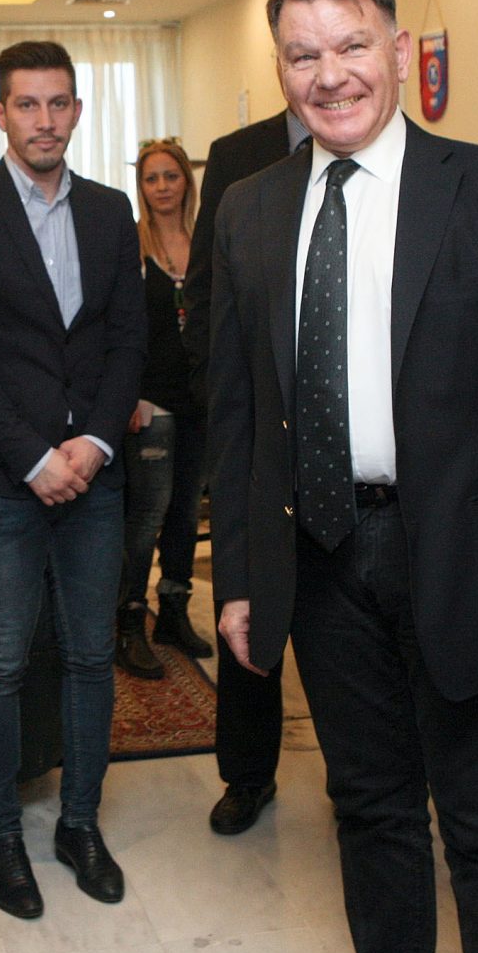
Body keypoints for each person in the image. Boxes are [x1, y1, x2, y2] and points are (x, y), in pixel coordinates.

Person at [210, 0, 478, 953]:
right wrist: (240, 577)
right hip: (323, 559)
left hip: (464, 559)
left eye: (351, 45)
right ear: (280, 69)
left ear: (399, 48)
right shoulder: (247, 209)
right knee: (370, 808)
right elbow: (238, 417)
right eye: (303, 55)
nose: (329, 74)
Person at [0, 39, 146, 921]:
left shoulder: (111, 210)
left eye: (58, 103)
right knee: (2, 661)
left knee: (90, 655)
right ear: (0, 113)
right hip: (2, 483)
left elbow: (128, 339)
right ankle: (4, 835)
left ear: (78, 111)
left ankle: (80, 824)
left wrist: (94, 442)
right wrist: (33, 457)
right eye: (27, 104)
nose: (44, 121)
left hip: (95, 475)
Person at [180, 105, 304, 834]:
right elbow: (205, 290)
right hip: (258, 431)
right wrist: (223, 394)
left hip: (358, 440)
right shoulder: (239, 155)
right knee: (247, 610)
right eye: (303, 53)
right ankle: (248, 774)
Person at [115, 137, 214, 680]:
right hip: (150, 402)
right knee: (148, 513)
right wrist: (126, 394)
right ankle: (129, 620)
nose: (161, 187)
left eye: (170, 176)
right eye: (151, 178)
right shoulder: (131, 245)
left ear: (186, 182)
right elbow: (119, 328)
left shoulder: (206, 242)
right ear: (141, 187)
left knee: (185, 513)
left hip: (199, 398)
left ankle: (173, 611)